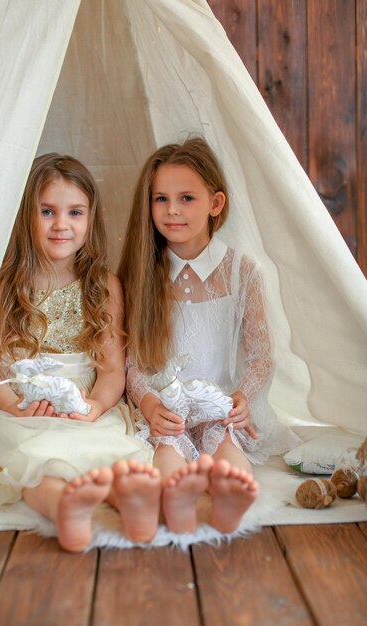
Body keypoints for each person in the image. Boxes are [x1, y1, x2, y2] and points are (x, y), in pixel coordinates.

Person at [0, 153, 161, 552]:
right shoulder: (2, 288)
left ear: (90, 218)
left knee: (111, 453)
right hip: (18, 404)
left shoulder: (104, 286)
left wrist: (96, 406)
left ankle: (130, 503)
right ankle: (64, 507)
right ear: (27, 216)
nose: (61, 224)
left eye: (74, 212)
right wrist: (16, 408)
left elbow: (113, 370)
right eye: (47, 211)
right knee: (31, 457)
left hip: (82, 404)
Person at [118, 137, 300, 535]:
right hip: (166, 406)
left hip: (218, 403)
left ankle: (231, 496)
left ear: (214, 204)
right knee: (166, 454)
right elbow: (131, 360)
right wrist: (148, 404)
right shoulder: (140, 274)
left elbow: (259, 357)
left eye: (186, 198)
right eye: (161, 199)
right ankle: (178, 499)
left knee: (228, 451)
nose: (172, 211)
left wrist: (242, 398)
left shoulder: (240, 272)